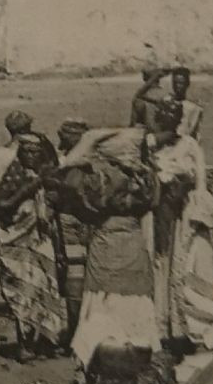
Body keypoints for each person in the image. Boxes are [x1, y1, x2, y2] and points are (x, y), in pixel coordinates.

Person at [52, 127, 161, 370]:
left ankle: (100, 357)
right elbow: (153, 203)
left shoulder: (101, 178)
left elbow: (65, 179)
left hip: (105, 243)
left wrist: (87, 147)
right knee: (135, 302)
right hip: (134, 242)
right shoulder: (147, 178)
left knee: (103, 302)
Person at [147, 77, 213, 350]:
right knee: (158, 265)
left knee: (182, 266)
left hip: (183, 214)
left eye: (171, 116)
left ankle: (179, 326)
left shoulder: (190, 145)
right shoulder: (149, 145)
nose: (166, 120)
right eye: (162, 116)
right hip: (156, 214)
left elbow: (200, 181)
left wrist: (185, 188)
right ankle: (159, 327)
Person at [0, 126, 67, 359]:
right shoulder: (15, 176)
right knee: (22, 294)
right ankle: (24, 345)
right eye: (26, 151)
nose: (30, 156)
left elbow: (57, 216)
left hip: (42, 243)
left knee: (44, 291)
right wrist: (30, 189)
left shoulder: (49, 177)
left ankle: (43, 341)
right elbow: (1, 206)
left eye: (35, 152)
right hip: (17, 244)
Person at [55, 120, 94, 344]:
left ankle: (76, 330)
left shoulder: (65, 163)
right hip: (80, 221)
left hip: (72, 220)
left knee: (75, 275)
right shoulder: (92, 161)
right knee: (78, 276)